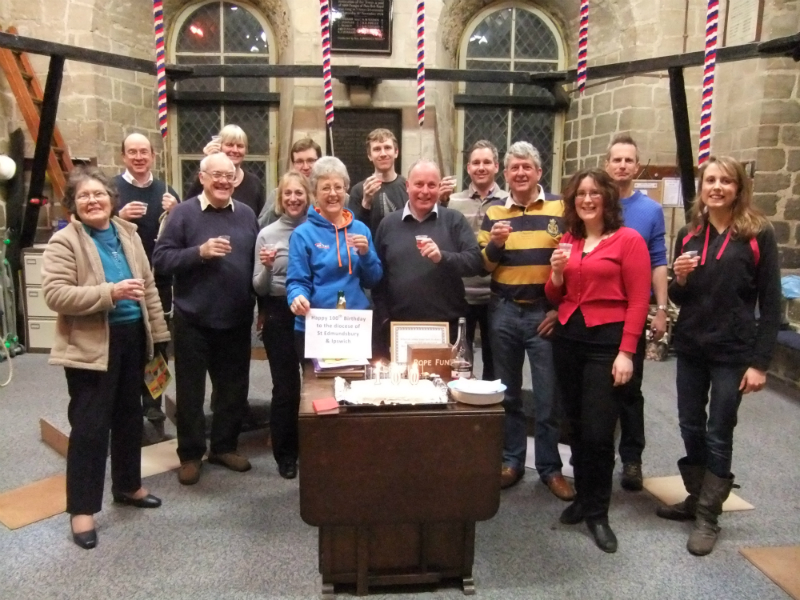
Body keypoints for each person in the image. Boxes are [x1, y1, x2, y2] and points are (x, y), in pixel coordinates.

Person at [42, 167, 170, 550]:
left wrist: (160, 336)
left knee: (129, 417)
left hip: (133, 339)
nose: (93, 201)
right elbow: (56, 295)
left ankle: (128, 485)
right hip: (90, 346)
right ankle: (82, 511)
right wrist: (109, 293)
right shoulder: (64, 241)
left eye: (99, 194)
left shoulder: (128, 234)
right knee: (90, 428)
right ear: (73, 205)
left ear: (112, 200)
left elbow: (148, 288)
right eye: (84, 197)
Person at [659, 156, 780, 556]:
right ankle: (697, 497)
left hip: (733, 351)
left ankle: (709, 516)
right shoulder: (690, 233)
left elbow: (771, 302)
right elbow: (680, 297)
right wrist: (679, 278)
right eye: (710, 180)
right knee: (690, 424)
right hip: (692, 346)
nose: (717, 187)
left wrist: (760, 362)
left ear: (738, 188)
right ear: (702, 187)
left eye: (725, 181)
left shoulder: (757, 233)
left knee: (718, 431)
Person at [545, 168, 651, 553]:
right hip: (569, 340)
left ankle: (599, 512)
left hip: (607, 345)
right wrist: (556, 273)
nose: (587, 200)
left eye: (594, 193)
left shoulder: (629, 241)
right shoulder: (570, 241)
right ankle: (583, 498)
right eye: (580, 194)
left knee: (598, 431)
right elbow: (555, 296)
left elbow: (639, 300)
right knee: (573, 427)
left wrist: (627, 351)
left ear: (607, 198)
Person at [153, 153, 259, 486]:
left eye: (230, 176)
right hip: (193, 320)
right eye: (217, 175)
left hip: (236, 318)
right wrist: (199, 252)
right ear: (202, 177)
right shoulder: (183, 213)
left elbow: (255, 261)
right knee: (191, 393)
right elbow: (161, 260)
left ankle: (224, 448)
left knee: (233, 391)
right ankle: (190, 455)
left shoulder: (246, 214)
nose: (224, 181)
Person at [478, 141, 573, 499]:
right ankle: (512, 460)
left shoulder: (560, 208)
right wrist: (497, 245)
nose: (520, 173)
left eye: (527, 167)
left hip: (543, 313)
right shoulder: (494, 214)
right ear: (506, 174)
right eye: (514, 168)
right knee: (509, 393)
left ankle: (550, 469)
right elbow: (484, 265)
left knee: (548, 397)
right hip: (503, 309)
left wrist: (557, 310)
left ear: (538, 172)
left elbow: (571, 263)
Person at [604, 134, 669, 491]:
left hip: (633, 310)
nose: (622, 166)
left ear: (638, 166)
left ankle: (631, 460)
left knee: (630, 390)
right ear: (607, 164)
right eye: (617, 160)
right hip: (598, 313)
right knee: (597, 390)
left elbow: (658, 262)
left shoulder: (651, 211)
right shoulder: (595, 205)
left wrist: (661, 310)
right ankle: (594, 457)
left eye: (629, 160)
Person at [373, 159, 483, 355]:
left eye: (432, 185)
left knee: (448, 385)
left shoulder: (454, 220)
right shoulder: (388, 224)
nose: (425, 191)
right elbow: (377, 277)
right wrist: (384, 319)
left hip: (447, 330)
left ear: (440, 187)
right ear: (407, 186)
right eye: (419, 184)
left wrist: (443, 257)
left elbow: (475, 262)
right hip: (400, 329)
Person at [113, 132, 180, 424]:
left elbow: (182, 230)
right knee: (130, 339)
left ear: (153, 155)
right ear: (123, 156)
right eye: (132, 152)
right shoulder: (112, 190)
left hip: (160, 279)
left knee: (159, 340)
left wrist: (175, 211)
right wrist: (119, 215)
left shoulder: (167, 190)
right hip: (124, 278)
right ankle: (126, 399)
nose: (139, 157)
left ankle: (153, 400)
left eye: (144, 152)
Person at [287, 157, 383, 358]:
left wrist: (366, 255)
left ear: (346, 190)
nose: (332, 194)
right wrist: (297, 297)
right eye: (325, 188)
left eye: (338, 187)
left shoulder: (360, 230)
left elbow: (373, 280)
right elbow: (297, 281)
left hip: (354, 325)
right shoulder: (302, 234)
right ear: (314, 193)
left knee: (355, 386)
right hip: (317, 326)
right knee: (319, 388)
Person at [253, 171, 310, 479]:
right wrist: (266, 267)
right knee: (286, 388)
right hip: (280, 312)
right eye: (287, 193)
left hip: (315, 313)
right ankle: (286, 453)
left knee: (316, 383)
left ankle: (314, 446)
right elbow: (260, 288)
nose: (293, 199)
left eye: (299, 193)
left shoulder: (319, 229)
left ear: (307, 196)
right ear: (280, 198)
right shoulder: (267, 234)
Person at [447, 140, 508, 380]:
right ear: (468, 167)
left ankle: (489, 407)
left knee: (495, 357)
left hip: (495, 292)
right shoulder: (453, 202)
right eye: (475, 163)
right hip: (462, 291)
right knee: (461, 355)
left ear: (496, 166)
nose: (480, 167)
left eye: (486, 162)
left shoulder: (508, 201)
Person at [186, 124, 266, 217]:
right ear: (218, 146)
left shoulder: (254, 183)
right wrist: (208, 162)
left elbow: (260, 220)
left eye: (240, 146)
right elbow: (189, 207)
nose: (235, 150)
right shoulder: (206, 179)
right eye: (229, 145)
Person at [347, 128, 407, 237]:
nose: (383, 154)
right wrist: (366, 204)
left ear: (396, 152)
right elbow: (353, 231)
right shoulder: (358, 190)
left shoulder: (408, 186)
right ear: (369, 155)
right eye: (377, 149)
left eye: (387, 148)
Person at [258, 138, 322, 228]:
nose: (305, 167)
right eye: (299, 161)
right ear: (292, 165)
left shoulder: (328, 194)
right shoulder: (277, 194)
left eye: (310, 161)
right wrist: (279, 204)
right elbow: (260, 226)